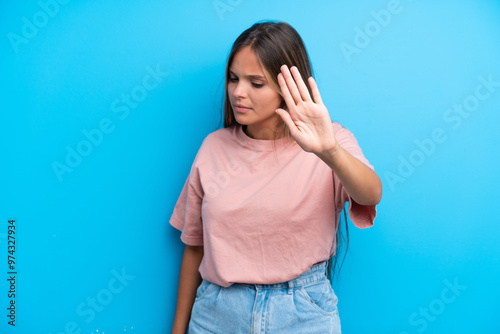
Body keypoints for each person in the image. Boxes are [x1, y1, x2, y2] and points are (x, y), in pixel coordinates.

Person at [169, 20, 382, 334]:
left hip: (303, 315)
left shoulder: (332, 142)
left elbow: (371, 195)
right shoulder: (213, 148)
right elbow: (195, 248)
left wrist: (329, 152)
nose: (238, 92)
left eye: (256, 83)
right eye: (233, 79)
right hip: (217, 315)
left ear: (287, 89)